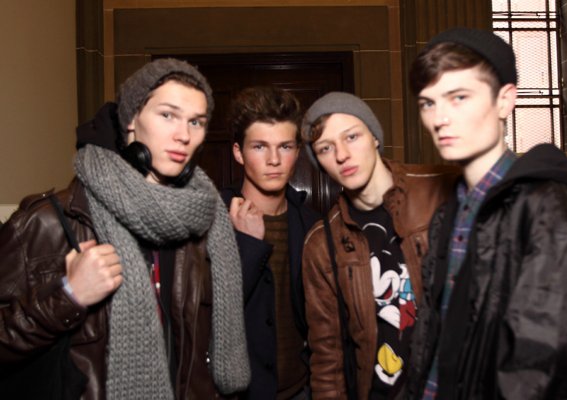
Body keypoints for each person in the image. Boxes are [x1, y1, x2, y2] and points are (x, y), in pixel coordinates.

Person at [0, 58, 250, 399]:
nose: (184, 135)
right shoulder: (51, 220)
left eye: (196, 122)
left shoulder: (205, 221)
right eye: (168, 115)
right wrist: (69, 296)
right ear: (131, 118)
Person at [405, 27, 567, 399]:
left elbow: (553, 365)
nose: (439, 118)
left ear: (505, 101)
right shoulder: (448, 214)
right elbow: (434, 335)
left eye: (459, 97)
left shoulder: (552, 207)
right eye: (428, 103)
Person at [300, 92, 459, 399]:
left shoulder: (442, 190)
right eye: (325, 148)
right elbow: (327, 356)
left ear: (374, 137)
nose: (342, 155)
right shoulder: (322, 244)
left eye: (352, 137)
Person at [221, 86, 319, 400]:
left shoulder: (313, 225)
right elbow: (209, 317)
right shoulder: (212, 220)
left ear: (298, 152)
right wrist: (247, 245)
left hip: (302, 390)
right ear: (238, 153)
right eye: (260, 146)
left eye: (285, 146)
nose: (274, 160)